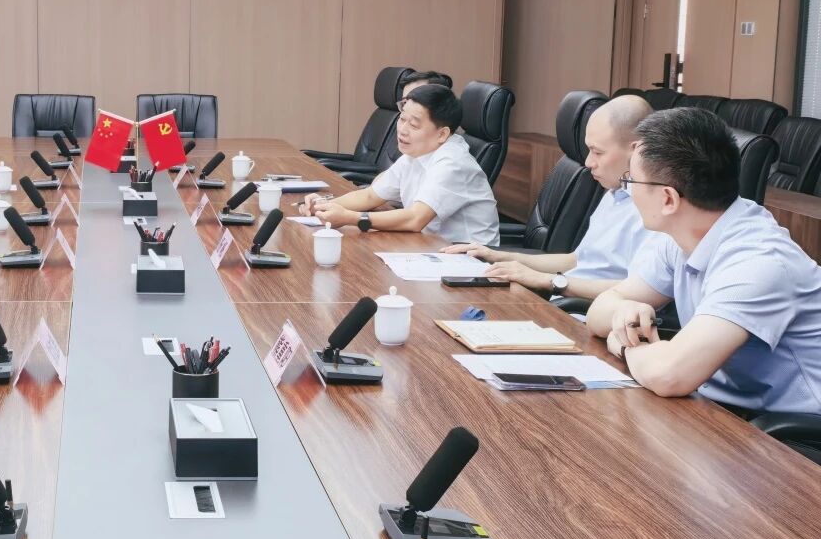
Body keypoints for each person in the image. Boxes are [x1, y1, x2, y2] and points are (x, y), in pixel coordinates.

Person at [586, 108, 821, 415]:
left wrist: (622, 344)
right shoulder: (680, 236)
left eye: (632, 181)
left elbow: (669, 375)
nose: (628, 191)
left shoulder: (759, 263)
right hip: (723, 410)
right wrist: (624, 311)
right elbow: (597, 313)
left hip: (789, 433)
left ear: (668, 199)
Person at [443, 95, 654, 301]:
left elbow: (643, 290)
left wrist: (550, 281)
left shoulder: (654, 209)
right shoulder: (616, 193)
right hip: (561, 300)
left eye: (597, 152)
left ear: (636, 149)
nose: (588, 162)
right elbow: (577, 260)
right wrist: (499, 256)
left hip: (586, 311)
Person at [300, 82, 499, 245]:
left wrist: (349, 218)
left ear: (442, 134)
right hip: (429, 246)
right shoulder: (416, 153)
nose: (403, 130)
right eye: (402, 119)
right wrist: (324, 206)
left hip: (469, 260)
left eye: (414, 125)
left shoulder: (453, 162)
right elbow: (370, 196)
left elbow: (415, 219)